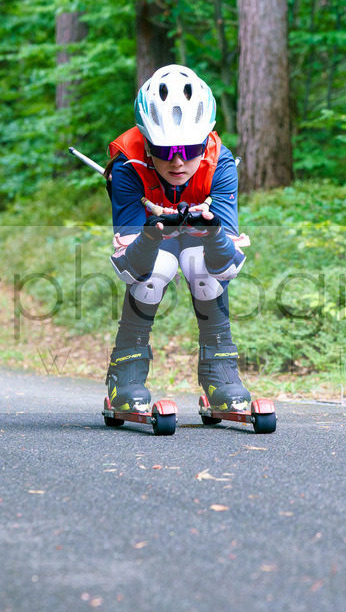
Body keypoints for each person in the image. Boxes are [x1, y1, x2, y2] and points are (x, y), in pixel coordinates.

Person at [103, 65, 252, 415]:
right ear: (146, 141)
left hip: (202, 240)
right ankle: (124, 375)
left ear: (206, 139)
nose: (178, 161)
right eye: (164, 149)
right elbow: (130, 269)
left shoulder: (221, 163)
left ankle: (220, 373)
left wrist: (214, 231)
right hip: (150, 243)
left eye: (189, 147)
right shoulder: (127, 165)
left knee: (204, 271)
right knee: (154, 273)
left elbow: (227, 265)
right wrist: (154, 233)